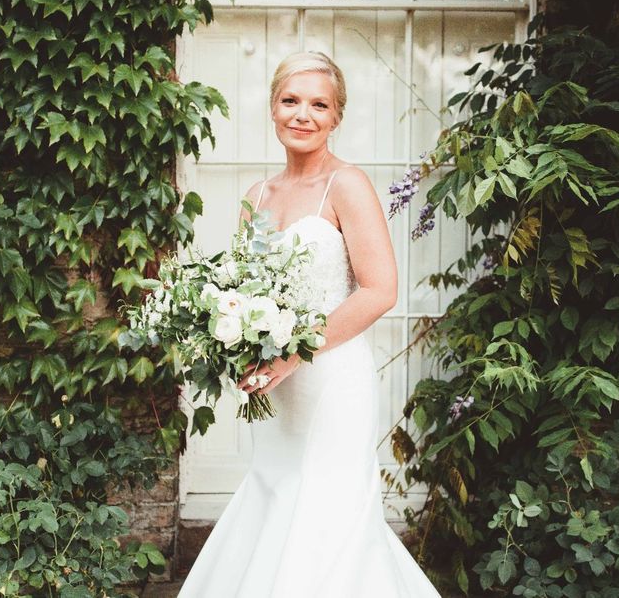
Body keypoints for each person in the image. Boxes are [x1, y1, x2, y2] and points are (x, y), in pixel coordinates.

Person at [178, 52, 441, 597]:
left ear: (337, 116)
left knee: (329, 516)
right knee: (276, 495)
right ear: (273, 109)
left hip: (332, 382)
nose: (304, 114)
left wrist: (293, 354)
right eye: (291, 100)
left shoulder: (347, 185)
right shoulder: (256, 197)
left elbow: (380, 290)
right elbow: (244, 295)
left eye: (319, 104)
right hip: (276, 390)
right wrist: (242, 351)